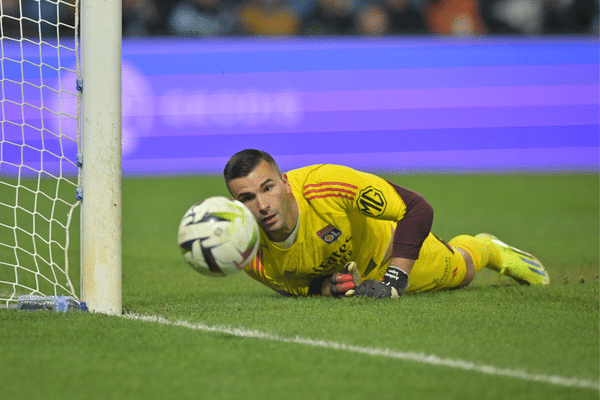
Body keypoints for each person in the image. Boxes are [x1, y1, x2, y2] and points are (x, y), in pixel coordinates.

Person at [223, 149, 549, 298]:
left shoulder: (327, 184)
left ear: (285, 183)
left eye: (267, 188)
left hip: (388, 250)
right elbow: (290, 285)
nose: (262, 205)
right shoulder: (248, 252)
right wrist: (328, 287)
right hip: (355, 275)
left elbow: (416, 208)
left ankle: (487, 248)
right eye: (248, 198)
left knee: (461, 273)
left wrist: (395, 279)